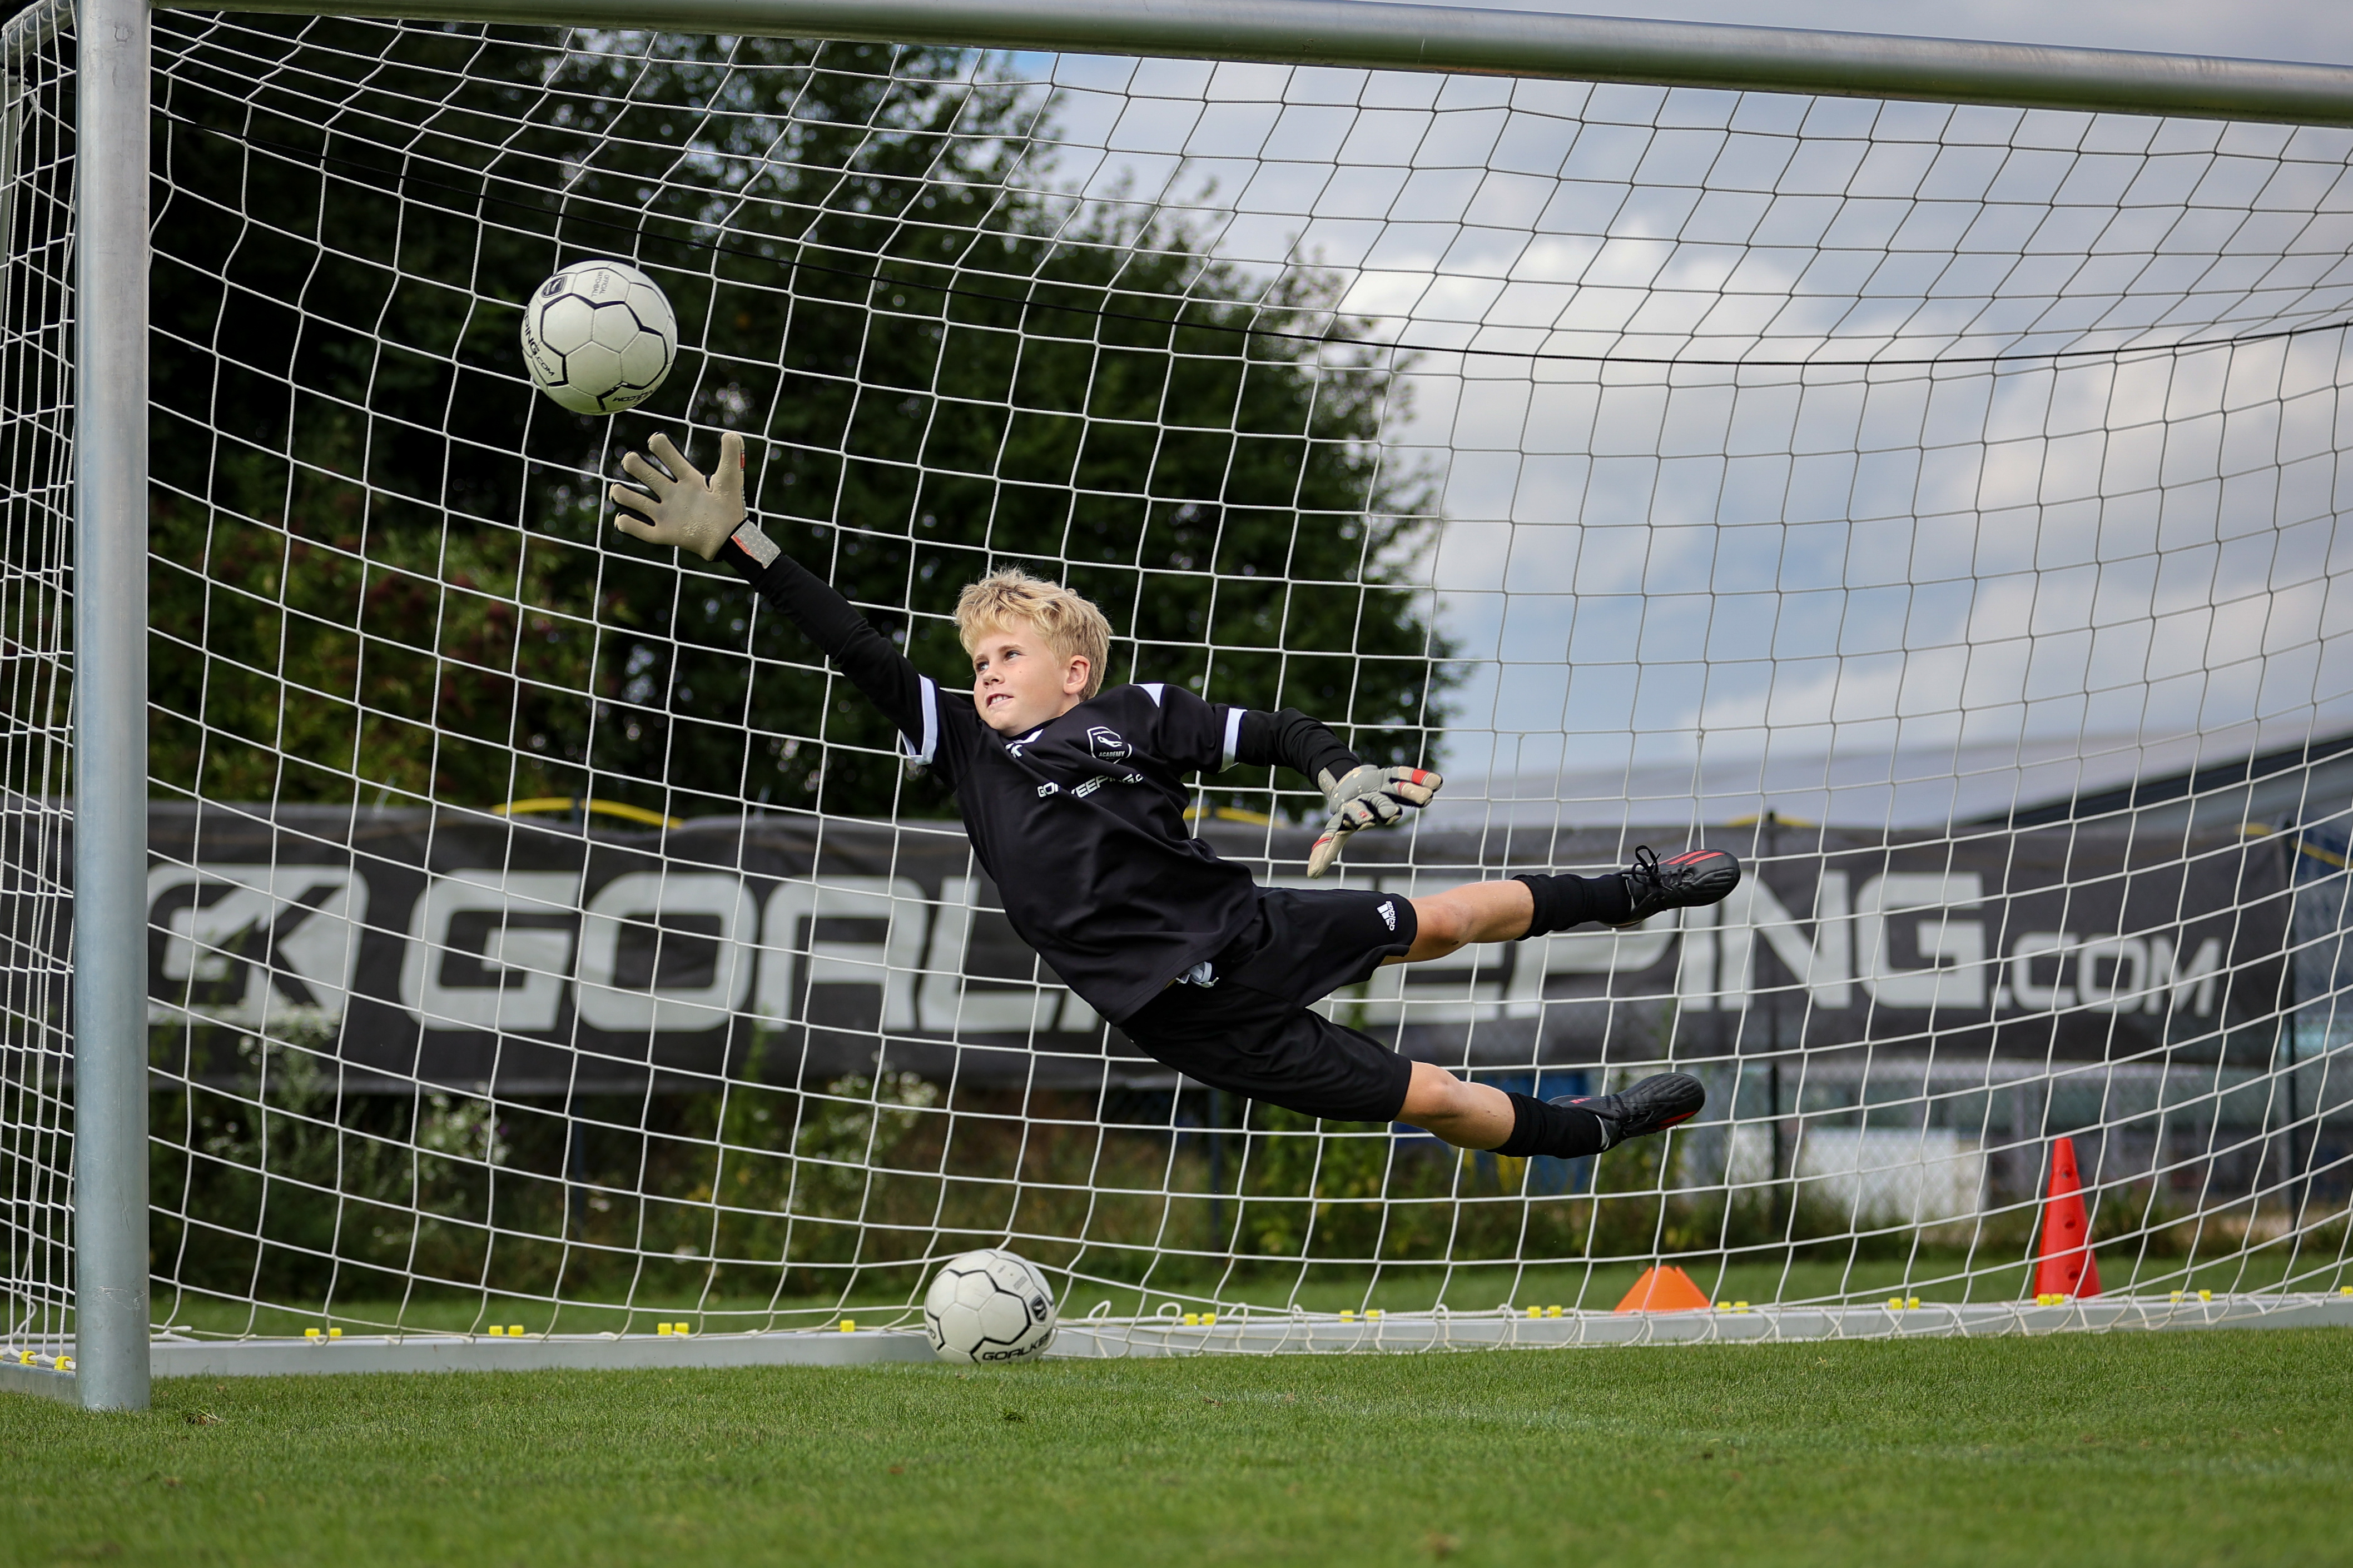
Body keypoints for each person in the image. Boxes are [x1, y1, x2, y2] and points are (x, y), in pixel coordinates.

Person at [610, 431, 1740, 1162]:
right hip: (1187, 1018)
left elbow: (1276, 728)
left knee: (1440, 918)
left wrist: (1338, 770)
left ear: (1075, 673)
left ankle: (1630, 889)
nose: (986, 671)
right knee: (1433, 1094)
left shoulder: (1138, 714)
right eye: (978, 659)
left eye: (1008, 652)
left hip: (1250, 926)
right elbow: (856, 646)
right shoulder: (958, 743)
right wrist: (745, 546)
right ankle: (1587, 1131)